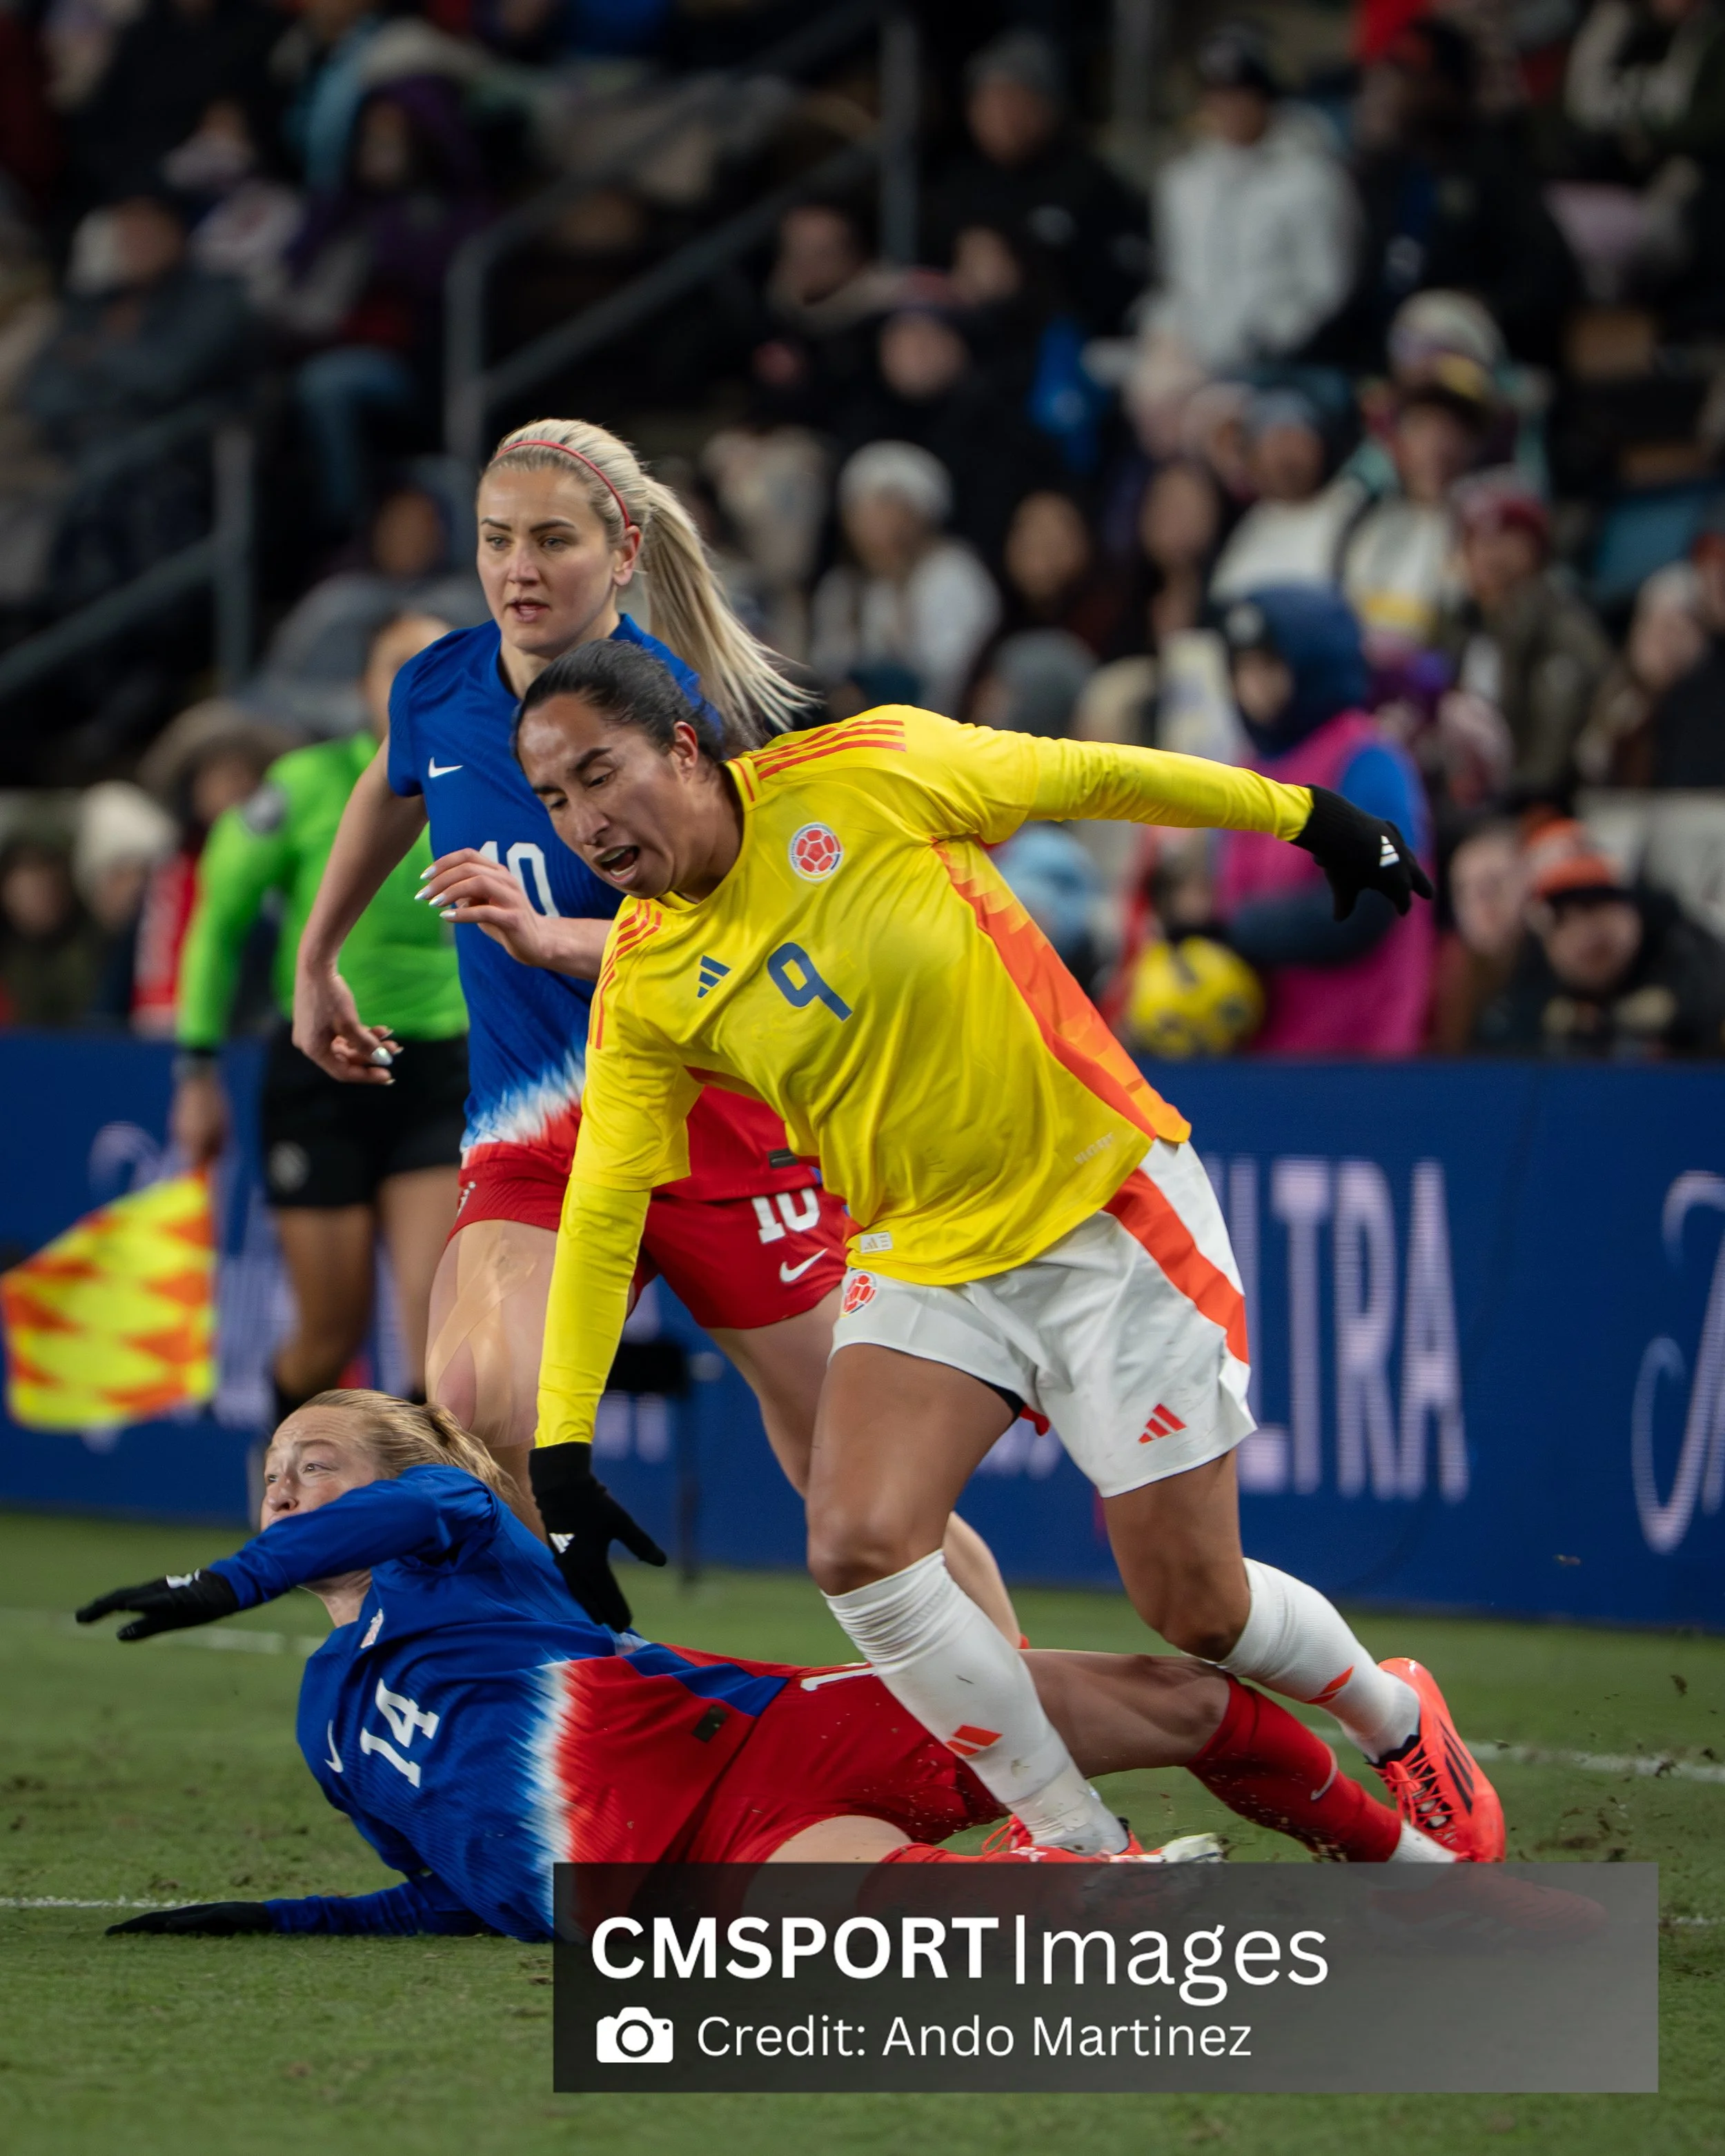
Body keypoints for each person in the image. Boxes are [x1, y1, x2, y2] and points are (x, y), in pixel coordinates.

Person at [513, 637, 1506, 1872]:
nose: (582, 821)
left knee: (1196, 1608)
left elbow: (1088, 775)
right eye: (554, 799)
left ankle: (1396, 1716)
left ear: (681, 746)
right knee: (858, 1539)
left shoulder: (868, 773)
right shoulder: (647, 978)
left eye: (598, 775)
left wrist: (1311, 818)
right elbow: (606, 1207)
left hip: (1102, 1214)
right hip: (925, 1253)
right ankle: (1083, 1845)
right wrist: (560, 1449)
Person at [291, 417, 1017, 1637]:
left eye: (553, 541)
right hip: (541, 1132)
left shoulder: (692, 715)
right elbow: (394, 777)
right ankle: (571, 1732)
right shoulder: (442, 683)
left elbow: (752, 945)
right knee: (477, 1411)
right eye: (496, 539)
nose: (518, 568)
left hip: (718, 1130)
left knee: (863, 1504)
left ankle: (1032, 1775)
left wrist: (553, 939)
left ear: (623, 553)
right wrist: (319, 956)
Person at [81, 1390, 1451, 1944]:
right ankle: (1093, 1888)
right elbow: (448, 1885)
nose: (284, 1483)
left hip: (765, 1737)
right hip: (668, 1884)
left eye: (315, 1463)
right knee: (959, 1935)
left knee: (1188, 1697)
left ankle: (1412, 1869)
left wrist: (234, 1575)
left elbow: (425, 1506)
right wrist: (282, 1920)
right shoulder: (327, 1717)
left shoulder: (460, 1547)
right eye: (269, 1474)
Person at [172, 613, 467, 1413]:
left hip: (440, 1069)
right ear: (364, 690)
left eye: (435, 664)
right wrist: (195, 1067)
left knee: (437, 1330)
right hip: (318, 1072)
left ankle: (424, 1523)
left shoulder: (489, 784)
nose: (415, 682)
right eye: (396, 667)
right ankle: (286, 1482)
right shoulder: (302, 787)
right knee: (329, 1335)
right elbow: (218, 921)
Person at [1212, 586, 1435, 1055]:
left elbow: (1375, 899)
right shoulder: (1246, 769)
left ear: (1314, 665)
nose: (1253, 684)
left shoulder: (1367, 758)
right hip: (1268, 1054)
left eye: (1270, 666)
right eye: (1241, 668)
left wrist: (1243, 931)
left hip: (1360, 1050)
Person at [1138, 22, 1357, 375]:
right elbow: (1174, 278)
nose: (1227, 108)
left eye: (1240, 94)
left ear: (1267, 98)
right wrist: (1167, 330)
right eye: (1216, 94)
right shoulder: (1182, 180)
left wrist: (1268, 338)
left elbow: (1327, 288)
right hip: (1193, 359)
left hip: (1280, 364)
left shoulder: (1313, 179)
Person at [1436, 470, 1612, 796]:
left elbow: (1555, 744)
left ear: (1535, 549)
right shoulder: (1459, 626)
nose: (1490, 554)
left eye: (1505, 537)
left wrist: (1516, 797)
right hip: (1462, 797)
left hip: (1537, 803)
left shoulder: (1564, 627)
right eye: (1478, 540)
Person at [1476, 827, 1725, 1056]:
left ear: (1630, 909)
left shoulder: (1685, 950)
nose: (1584, 932)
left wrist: (1660, 1014)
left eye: (1594, 905)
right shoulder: (1532, 983)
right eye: (1562, 919)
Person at [809, 442, 1002, 719]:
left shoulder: (953, 573)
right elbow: (829, 667)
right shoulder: (843, 586)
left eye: (885, 507)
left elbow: (952, 673)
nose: (871, 522)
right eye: (861, 510)